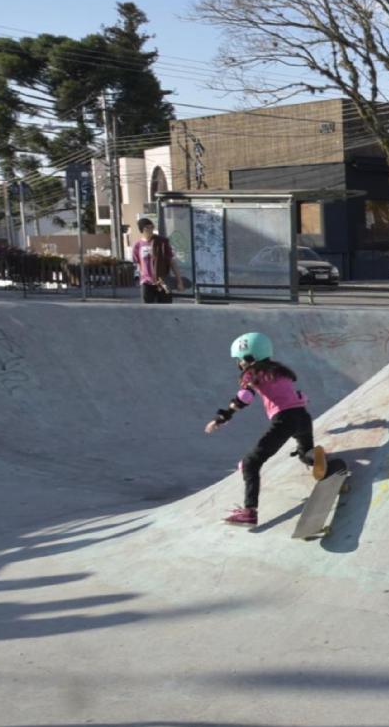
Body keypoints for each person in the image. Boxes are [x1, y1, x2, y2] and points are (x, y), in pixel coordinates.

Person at [204, 331, 327, 526]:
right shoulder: (281, 371)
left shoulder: (252, 373)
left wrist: (222, 417)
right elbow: (299, 395)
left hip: (284, 420)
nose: (238, 364)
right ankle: (317, 458)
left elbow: (245, 397)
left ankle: (249, 512)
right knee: (305, 454)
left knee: (250, 463)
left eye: (239, 360)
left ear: (248, 357)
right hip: (303, 417)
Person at [130, 216, 179, 303]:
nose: (150, 229)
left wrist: (179, 280)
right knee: (148, 309)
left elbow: (172, 262)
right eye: (147, 227)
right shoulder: (138, 245)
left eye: (152, 227)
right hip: (146, 282)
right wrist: (142, 277)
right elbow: (139, 264)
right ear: (141, 229)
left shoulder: (162, 242)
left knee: (166, 308)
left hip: (163, 281)